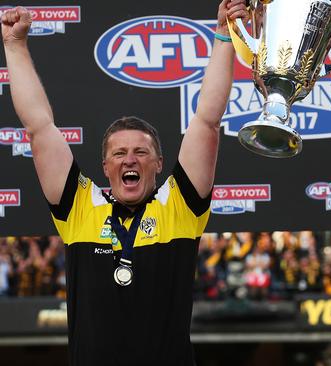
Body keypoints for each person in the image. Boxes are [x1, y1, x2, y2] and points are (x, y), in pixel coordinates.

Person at [1, 1, 248, 365]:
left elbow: (207, 120)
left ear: (159, 164)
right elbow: (39, 128)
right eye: (119, 154)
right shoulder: (80, 208)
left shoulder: (178, 205)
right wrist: (15, 46)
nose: (129, 160)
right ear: (105, 166)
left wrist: (224, 35)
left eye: (140, 153)